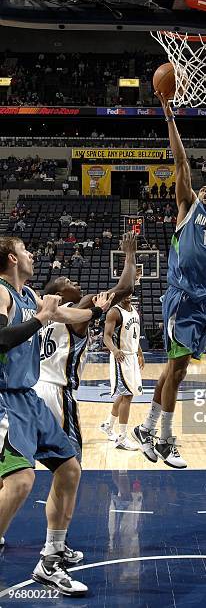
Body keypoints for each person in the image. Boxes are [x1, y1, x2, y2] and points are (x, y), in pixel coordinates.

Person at [132, 90, 206, 468]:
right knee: (179, 370)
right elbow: (181, 161)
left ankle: (147, 428)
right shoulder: (189, 208)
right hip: (183, 297)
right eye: (205, 188)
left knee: (173, 369)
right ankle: (167, 439)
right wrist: (170, 117)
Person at [0, 236, 112, 595]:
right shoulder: (1, 292)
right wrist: (38, 320)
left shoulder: (30, 296)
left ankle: (50, 559)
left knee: (70, 468)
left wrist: (95, 309)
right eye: (26, 249)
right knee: (20, 482)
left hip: (28, 398)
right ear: (12, 259)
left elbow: (69, 315)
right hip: (3, 399)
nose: (33, 253)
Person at [34, 232, 137, 463]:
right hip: (58, 392)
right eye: (69, 283)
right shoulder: (81, 306)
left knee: (22, 467)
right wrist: (130, 254)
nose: (76, 283)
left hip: (33, 391)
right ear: (59, 295)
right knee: (71, 466)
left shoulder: (41, 316)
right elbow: (126, 287)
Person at [101, 294, 144, 450]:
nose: (128, 295)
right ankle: (122, 438)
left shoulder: (134, 310)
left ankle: (108, 424)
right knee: (127, 395)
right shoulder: (114, 312)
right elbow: (106, 336)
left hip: (132, 356)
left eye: (130, 292)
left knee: (124, 393)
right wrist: (114, 350)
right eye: (125, 292)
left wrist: (140, 353)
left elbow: (135, 335)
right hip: (121, 357)